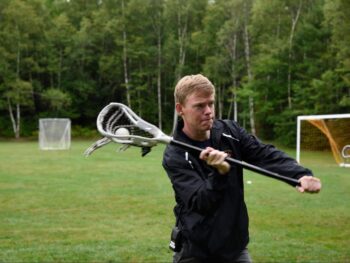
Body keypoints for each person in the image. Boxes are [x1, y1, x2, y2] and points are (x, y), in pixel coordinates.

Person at [162, 74, 321, 263]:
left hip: (234, 248)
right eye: (199, 106)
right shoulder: (175, 155)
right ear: (181, 109)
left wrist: (300, 175)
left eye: (211, 104)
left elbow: (264, 154)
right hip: (196, 251)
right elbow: (201, 202)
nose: (208, 111)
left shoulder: (230, 132)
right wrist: (220, 172)